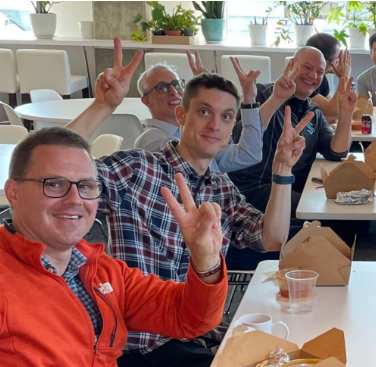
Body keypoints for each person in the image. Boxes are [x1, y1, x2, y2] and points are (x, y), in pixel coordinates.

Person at [64, 39, 309, 367]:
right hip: (140, 343)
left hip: (196, 332)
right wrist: (102, 107)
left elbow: (272, 238)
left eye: (226, 117)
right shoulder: (140, 168)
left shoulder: (221, 188)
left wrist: (282, 171)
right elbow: (59, 170)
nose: (214, 125)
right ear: (181, 114)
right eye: (204, 112)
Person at [0, 131, 228, 366]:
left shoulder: (102, 270)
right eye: (55, 184)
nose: (75, 199)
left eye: (86, 186)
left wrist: (206, 260)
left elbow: (189, 318)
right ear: (13, 192)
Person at [230, 47, 356, 215]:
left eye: (319, 72)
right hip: (259, 188)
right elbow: (241, 136)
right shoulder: (262, 93)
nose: (313, 76)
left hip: (297, 185)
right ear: (291, 64)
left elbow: (336, 152)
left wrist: (346, 113)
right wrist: (277, 99)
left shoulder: (313, 111)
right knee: (333, 215)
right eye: (307, 67)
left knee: (353, 215)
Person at [132, 54, 265, 174]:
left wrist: (249, 100)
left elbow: (249, 154)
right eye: (162, 88)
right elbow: (189, 161)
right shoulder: (151, 139)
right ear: (146, 100)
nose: (173, 91)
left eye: (176, 84)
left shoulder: (198, 138)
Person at [305, 33, 353, 123]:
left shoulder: (321, 78)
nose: (340, 62)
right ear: (324, 61)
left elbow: (336, 110)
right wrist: (344, 77)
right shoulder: (304, 81)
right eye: (337, 59)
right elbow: (334, 112)